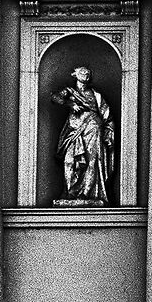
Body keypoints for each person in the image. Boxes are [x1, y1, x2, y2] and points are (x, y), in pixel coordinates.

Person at [56, 65, 117, 204]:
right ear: (75, 75)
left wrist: (109, 133)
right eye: (83, 72)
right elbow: (55, 98)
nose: (86, 74)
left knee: (92, 160)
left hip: (93, 127)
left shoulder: (96, 95)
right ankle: (70, 192)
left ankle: (86, 193)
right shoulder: (69, 91)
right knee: (69, 160)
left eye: (88, 73)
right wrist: (70, 104)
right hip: (75, 130)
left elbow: (107, 116)